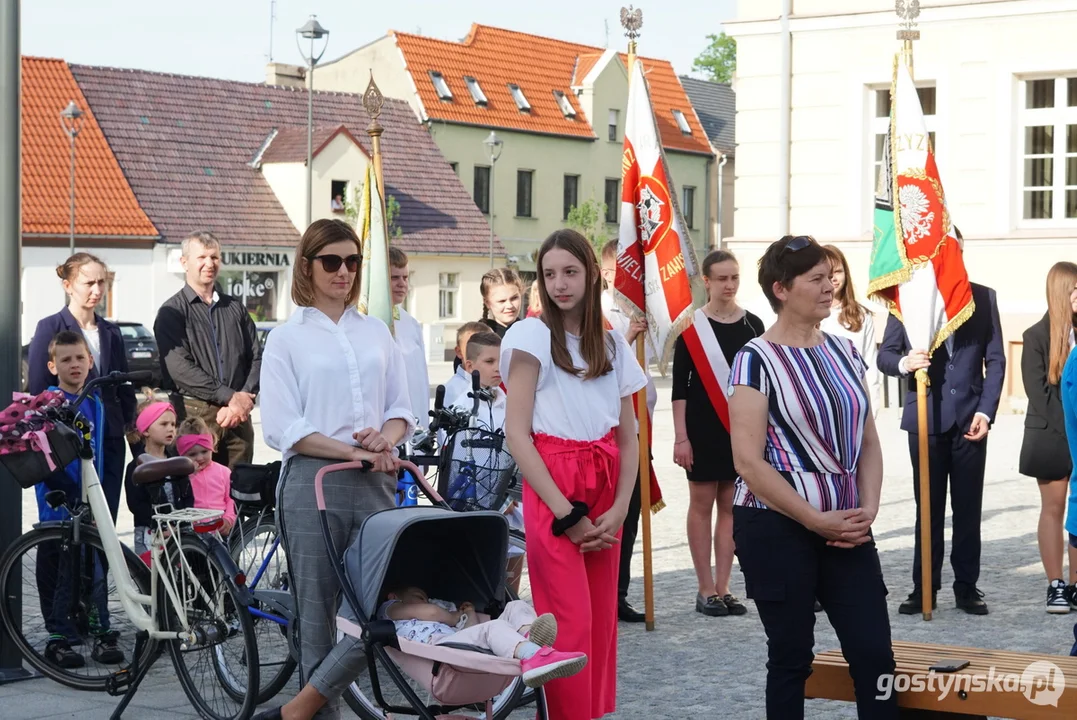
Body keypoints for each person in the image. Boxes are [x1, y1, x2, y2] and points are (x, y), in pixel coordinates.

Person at [728, 235, 896, 720]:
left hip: (846, 526)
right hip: (775, 524)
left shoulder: (845, 352)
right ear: (782, 289)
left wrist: (868, 510)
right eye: (817, 279)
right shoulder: (755, 359)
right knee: (791, 657)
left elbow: (867, 442)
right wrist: (814, 519)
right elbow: (748, 462)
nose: (830, 287)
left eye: (831, 277)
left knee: (875, 655)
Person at [256, 219, 413, 720]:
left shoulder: (376, 331)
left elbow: (403, 407)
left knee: (380, 607)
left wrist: (383, 440)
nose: (343, 271)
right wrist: (353, 451)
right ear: (307, 266)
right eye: (331, 261)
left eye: (352, 261)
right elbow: (285, 427)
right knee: (317, 614)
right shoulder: (287, 337)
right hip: (311, 482)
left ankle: (297, 711)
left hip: (376, 481)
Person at [502, 229, 646, 720]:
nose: (559, 284)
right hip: (554, 484)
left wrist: (622, 507)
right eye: (549, 274)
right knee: (569, 623)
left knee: (603, 622)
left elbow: (629, 438)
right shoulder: (530, 335)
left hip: (606, 486)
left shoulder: (610, 344)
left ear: (590, 274)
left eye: (570, 272)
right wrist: (566, 515)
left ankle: (591, 713)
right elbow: (517, 436)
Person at [877, 229, 1005, 616]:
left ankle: (967, 587)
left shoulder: (982, 297)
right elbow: (886, 355)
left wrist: (985, 411)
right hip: (926, 420)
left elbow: (996, 359)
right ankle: (924, 588)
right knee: (927, 509)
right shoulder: (908, 299)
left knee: (968, 509)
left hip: (970, 420)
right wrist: (904, 363)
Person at [672, 249, 764, 618]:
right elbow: (680, 388)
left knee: (731, 507)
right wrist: (681, 437)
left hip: (741, 430)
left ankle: (724, 588)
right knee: (702, 504)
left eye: (734, 277)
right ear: (706, 282)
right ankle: (704, 588)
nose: (729, 285)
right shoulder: (691, 328)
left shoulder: (754, 325)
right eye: (722, 278)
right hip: (702, 429)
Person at [35, 331, 124, 669]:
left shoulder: (96, 403)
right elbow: (44, 457)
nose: (74, 364)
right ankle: (59, 638)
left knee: (95, 567)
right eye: (66, 359)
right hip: (58, 504)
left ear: (90, 361)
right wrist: (68, 491)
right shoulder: (48, 403)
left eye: (80, 358)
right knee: (60, 573)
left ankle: (100, 630)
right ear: (52, 365)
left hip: (92, 504)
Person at [28, 253, 135, 521]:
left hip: (108, 438)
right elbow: (39, 391)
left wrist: (129, 424)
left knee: (104, 519)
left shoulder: (111, 332)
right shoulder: (49, 327)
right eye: (88, 283)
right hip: (66, 442)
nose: (97, 290)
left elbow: (123, 386)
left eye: (102, 282)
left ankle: (101, 565)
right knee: (65, 523)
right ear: (68, 286)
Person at [154, 230, 261, 469]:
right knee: (196, 492)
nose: (209, 263)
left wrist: (243, 398)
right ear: (184, 262)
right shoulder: (171, 312)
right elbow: (178, 368)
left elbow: (257, 356)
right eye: (201, 257)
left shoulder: (235, 308)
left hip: (239, 417)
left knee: (239, 491)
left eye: (214, 257)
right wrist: (230, 397)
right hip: (195, 413)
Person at [598, 239, 655, 624]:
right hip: (605, 433)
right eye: (621, 272)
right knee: (608, 512)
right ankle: (601, 595)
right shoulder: (598, 315)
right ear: (605, 273)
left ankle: (620, 593)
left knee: (631, 514)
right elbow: (599, 364)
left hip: (639, 426)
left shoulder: (641, 311)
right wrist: (628, 337)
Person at [379, 586, 586, 688]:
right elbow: (431, 612)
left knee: (515, 606)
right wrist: (452, 616)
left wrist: (468, 616)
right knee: (494, 628)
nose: (426, 600)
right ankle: (533, 655)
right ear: (393, 595)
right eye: (419, 597)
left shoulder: (443, 618)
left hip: (459, 644)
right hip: (440, 648)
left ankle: (530, 638)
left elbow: (473, 633)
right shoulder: (390, 609)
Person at [448, 331, 525, 592]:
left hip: (511, 501)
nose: (497, 368)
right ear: (470, 366)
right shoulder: (460, 409)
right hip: (476, 502)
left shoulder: (509, 403)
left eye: (501, 361)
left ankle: (512, 609)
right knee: (479, 578)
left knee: (513, 567)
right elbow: (457, 463)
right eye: (490, 362)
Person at [1021, 261, 1077, 612]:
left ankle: (1076, 585)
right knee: (1054, 510)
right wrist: (1071, 430)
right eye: (1075, 289)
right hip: (1053, 436)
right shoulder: (1035, 336)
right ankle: (1056, 584)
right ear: (1061, 292)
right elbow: (1039, 395)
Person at [821, 245, 881, 417]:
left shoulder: (861, 317)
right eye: (827, 273)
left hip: (854, 408)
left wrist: (872, 412)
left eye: (838, 271)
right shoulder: (807, 316)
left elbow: (870, 368)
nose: (833, 278)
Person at [124, 391, 181, 556]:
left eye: (173, 424)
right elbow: (136, 504)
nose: (170, 429)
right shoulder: (136, 467)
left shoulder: (176, 463)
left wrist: (180, 523)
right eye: (163, 424)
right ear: (146, 430)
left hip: (177, 532)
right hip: (149, 533)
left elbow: (186, 494)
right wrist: (160, 524)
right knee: (151, 578)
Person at [390, 247, 431, 435]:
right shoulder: (365, 323)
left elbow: (421, 380)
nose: (402, 284)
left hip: (415, 418)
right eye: (394, 278)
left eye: (405, 278)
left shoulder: (411, 324)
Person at [175, 416, 236, 536]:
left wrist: (229, 519)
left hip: (219, 527)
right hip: (192, 531)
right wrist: (188, 475)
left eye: (205, 451)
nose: (200, 458)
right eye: (192, 454)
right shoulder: (181, 476)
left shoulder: (223, 472)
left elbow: (231, 499)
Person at [444, 321, 489, 407]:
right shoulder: (452, 391)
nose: (481, 353)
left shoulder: (495, 388)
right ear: (459, 352)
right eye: (472, 348)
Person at [480, 267, 524, 338]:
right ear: (487, 303)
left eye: (514, 298)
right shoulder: (478, 335)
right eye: (502, 301)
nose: (509, 305)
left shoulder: (530, 332)